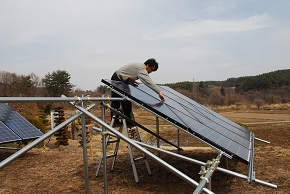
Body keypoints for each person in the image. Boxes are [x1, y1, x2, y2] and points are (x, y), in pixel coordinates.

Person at [110, 58, 165, 127]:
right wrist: (158, 92)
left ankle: (127, 121)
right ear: (147, 65)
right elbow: (147, 81)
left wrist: (132, 80)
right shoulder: (141, 69)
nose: (150, 72)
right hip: (117, 79)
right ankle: (116, 121)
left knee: (126, 100)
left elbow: (127, 73)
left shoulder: (139, 67)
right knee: (117, 100)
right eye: (151, 70)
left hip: (123, 80)